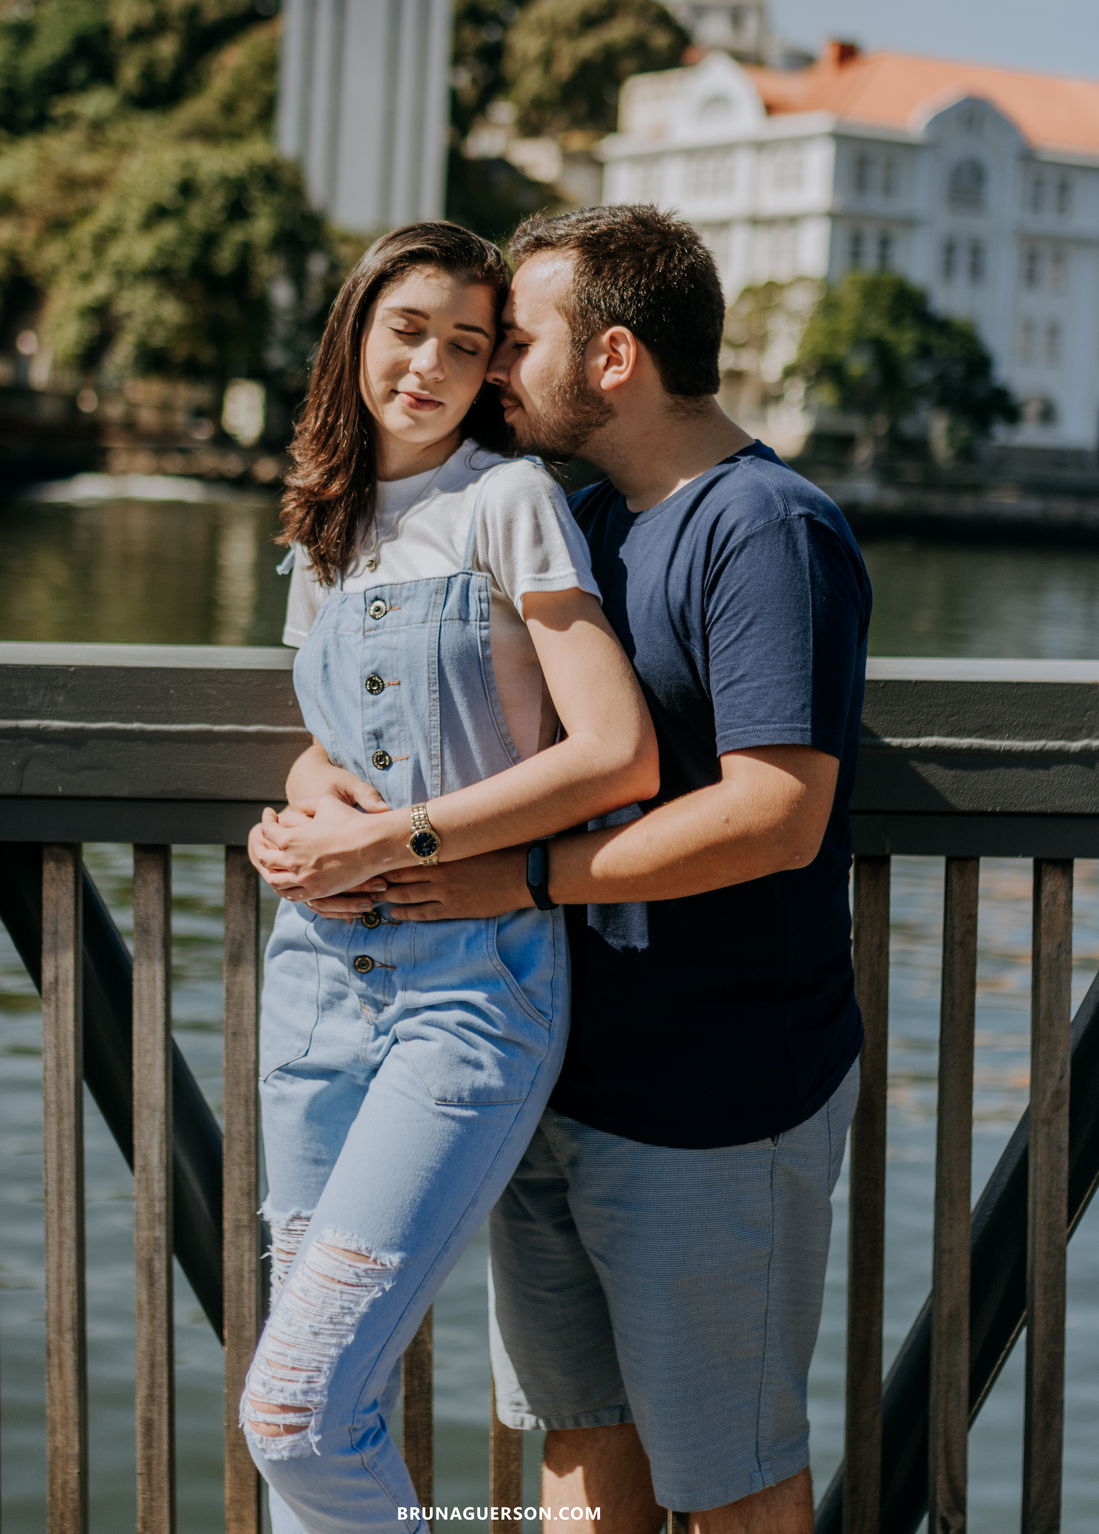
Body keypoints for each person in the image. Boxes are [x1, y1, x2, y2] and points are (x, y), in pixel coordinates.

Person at [327, 205, 873, 1534]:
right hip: (554, 1070)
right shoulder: (569, 519)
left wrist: (517, 882)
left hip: (718, 1099)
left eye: (514, 340)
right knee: (579, 1448)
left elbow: (777, 813)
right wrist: (316, 791)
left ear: (615, 356)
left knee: (735, 1478)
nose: (488, 369)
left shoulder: (765, 528)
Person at [242, 220, 658, 1534]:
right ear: (357, 330)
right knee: (321, 1415)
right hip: (313, 990)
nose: (427, 362)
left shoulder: (507, 502)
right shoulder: (326, 519)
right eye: (406, 329)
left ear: (492, 375)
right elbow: (333, 732)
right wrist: (310, 804)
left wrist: (395, 840)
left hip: (467, 999)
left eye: (466, 345)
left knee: (294, 1409)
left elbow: (616, 750)